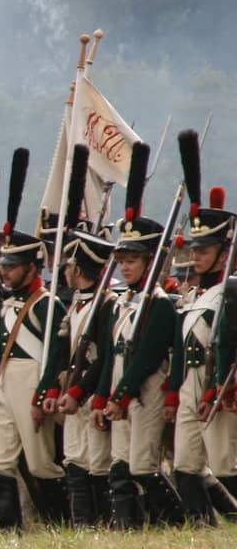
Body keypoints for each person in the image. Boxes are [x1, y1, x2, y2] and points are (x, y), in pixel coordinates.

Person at [101, 197, 185, 527]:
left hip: (146, 387)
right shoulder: (124, 301)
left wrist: (121, 395)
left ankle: (178, 522)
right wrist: (109, 395)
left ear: (149, 262)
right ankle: (130, 526)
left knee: (142, 464)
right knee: (120, 461)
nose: (124, 267)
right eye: (122, 260)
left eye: (132, 260)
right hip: (123, 383)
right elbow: (113, 352)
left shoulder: (160, 305)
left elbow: (148, 357)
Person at [0, 226, 68, 529]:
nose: (4, 272)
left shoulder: (47, 305)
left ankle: (60, 522)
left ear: (31, 268)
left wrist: (44, 393)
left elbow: (58, 354)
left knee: (40, 462)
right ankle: (10, 528)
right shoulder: (8, 303)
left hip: (32, 380)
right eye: (3, 265)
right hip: (6, 382)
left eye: (12, 266)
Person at [170, 191, 237, 522]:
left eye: (204, 250)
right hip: (190, 383)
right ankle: (202, 524)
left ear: (224, 255)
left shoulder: (230, 292)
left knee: (225, 464)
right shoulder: (196, 295)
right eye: (194, 249)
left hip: (220, 382)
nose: (195, 256)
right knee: (184, 463)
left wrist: (218, 388)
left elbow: (227, 346)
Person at [54, 229, 118, 526]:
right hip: (75, 392)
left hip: (90, 393)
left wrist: (79, 391)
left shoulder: (104, 305)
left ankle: (105, 522)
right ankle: (83, 524)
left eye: (68, 266)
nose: (65, 271)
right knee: (75, 458)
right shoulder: (79, 303)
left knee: (97, 462)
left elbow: (102, 357)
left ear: (78, 269)